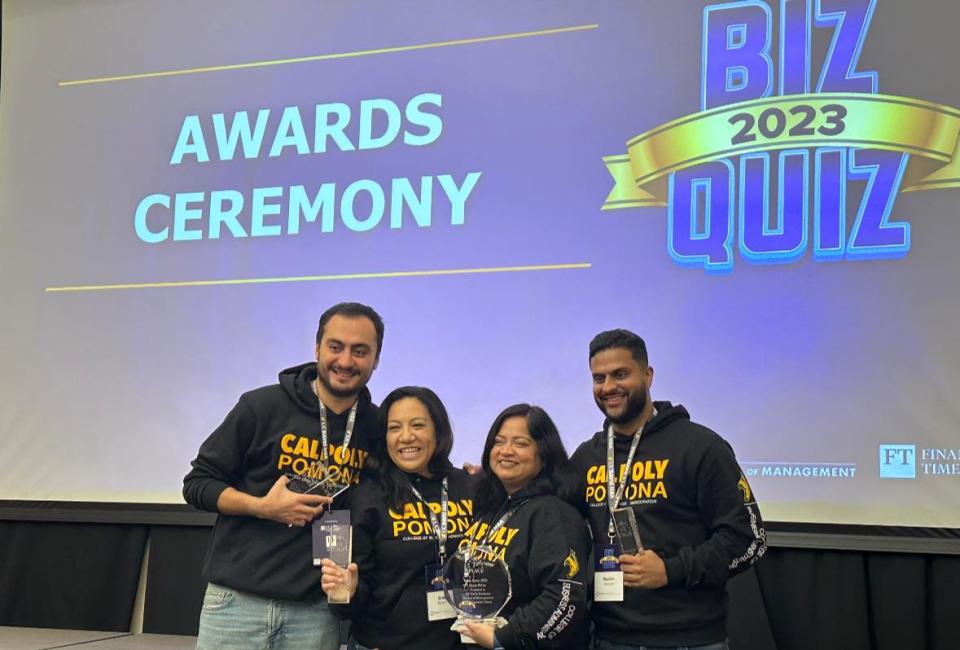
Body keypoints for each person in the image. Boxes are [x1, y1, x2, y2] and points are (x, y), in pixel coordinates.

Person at [182, 302, 384, 650]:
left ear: (376, 359)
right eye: (336, 347)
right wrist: (262, 506)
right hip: (237, 605)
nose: (346, 361)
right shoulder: (262, 407)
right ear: (317, 347)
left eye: (360, 351)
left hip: (317, 614)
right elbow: (198, 484)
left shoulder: (379, 428)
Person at [571, 329, 766, 650]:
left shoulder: (701, 447)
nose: (608, 387)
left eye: (620, 374)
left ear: (648, 376)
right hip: (609, 637)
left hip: (689, 639)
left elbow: (749, 540)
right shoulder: (586, 457)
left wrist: (671, 570)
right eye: (599, 378)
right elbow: (550, 516)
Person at [321, 386, 475, 650]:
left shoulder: (469, 486)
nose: (406, 437)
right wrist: (345, 591)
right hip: (383, 643)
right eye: (394, 428)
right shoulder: (366, 494)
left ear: (438, 430)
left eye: (418, 425)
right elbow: (349, 600)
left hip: (460, 643)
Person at [461, 404, 591, 650]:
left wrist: (504, 638)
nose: (506, 451)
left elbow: (565, 598)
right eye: (499, 442)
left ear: (544, 455)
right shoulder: (489, 508)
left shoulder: (554, 514)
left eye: (520, 444)